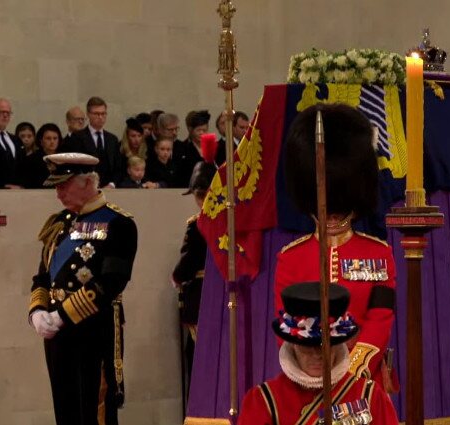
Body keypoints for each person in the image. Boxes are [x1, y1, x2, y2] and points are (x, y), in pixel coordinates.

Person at [276, 104, 398, 391]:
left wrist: (351, 372)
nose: (331, 214)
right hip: (305, 382)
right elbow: (286, 322)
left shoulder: (378, 254)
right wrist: (311, 370)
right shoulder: (290, 258)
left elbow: (380, 319)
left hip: (362, 384)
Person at [27, 152, 137, 425]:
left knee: (94, 410)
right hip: (57, 335)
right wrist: (38, 311)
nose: (58, 193)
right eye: (56, 186)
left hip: (93, 331)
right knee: (65, 410)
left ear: (87, 182)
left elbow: (111, 282)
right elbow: (42, 277)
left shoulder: (118, 224)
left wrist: (61, 315)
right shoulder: (59, 224)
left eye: (64, 185)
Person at [238, 282, 399, 425]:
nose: (317, 354)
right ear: (293, 345)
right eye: (307, 346)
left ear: (339, 344)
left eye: (325, 346)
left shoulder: (369, 395)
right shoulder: (263, 401)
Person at [171, 161, 215, 398]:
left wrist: (176, 276)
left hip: (201, 298)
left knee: (199, 361)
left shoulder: (198, 225)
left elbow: (188, 263)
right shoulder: (233, 222)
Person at [61, 97, 123, 188]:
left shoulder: (112, 139)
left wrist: (112, 184)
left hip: (110, 189)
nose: (100, 117)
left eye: (103, 113)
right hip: (85, 189)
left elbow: (118, 167)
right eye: (96, 114)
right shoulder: (77, 137)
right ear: (88, 114)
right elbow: (74, 166)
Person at [174, 110, 210, 188]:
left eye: (204, 130)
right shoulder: (181, 148)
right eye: (198, 130)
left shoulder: (211, 147)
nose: (201, 133)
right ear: (190, 130)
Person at [22, 123, 63, 189]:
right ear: (41, 141)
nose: (52, 141)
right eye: (48, 138)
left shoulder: (64, 158)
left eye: (55, 138)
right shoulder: (31, 160)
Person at [0, 97, 23, 188]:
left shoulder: (15, 140)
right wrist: (3, 186)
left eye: (8, 113)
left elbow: (21, 166)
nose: (5, 115)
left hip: (16, 193)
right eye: (1, 112)